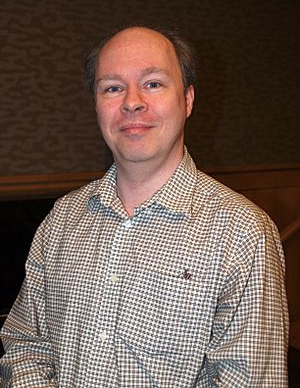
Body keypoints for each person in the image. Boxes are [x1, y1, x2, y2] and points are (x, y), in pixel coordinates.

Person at [0, 25, 289, 387]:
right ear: (97, 105)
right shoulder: (61, 220)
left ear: (187, 99)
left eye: (153, 83)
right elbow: (25, 343)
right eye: (113, 87)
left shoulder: (243, 232)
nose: (132, 101)